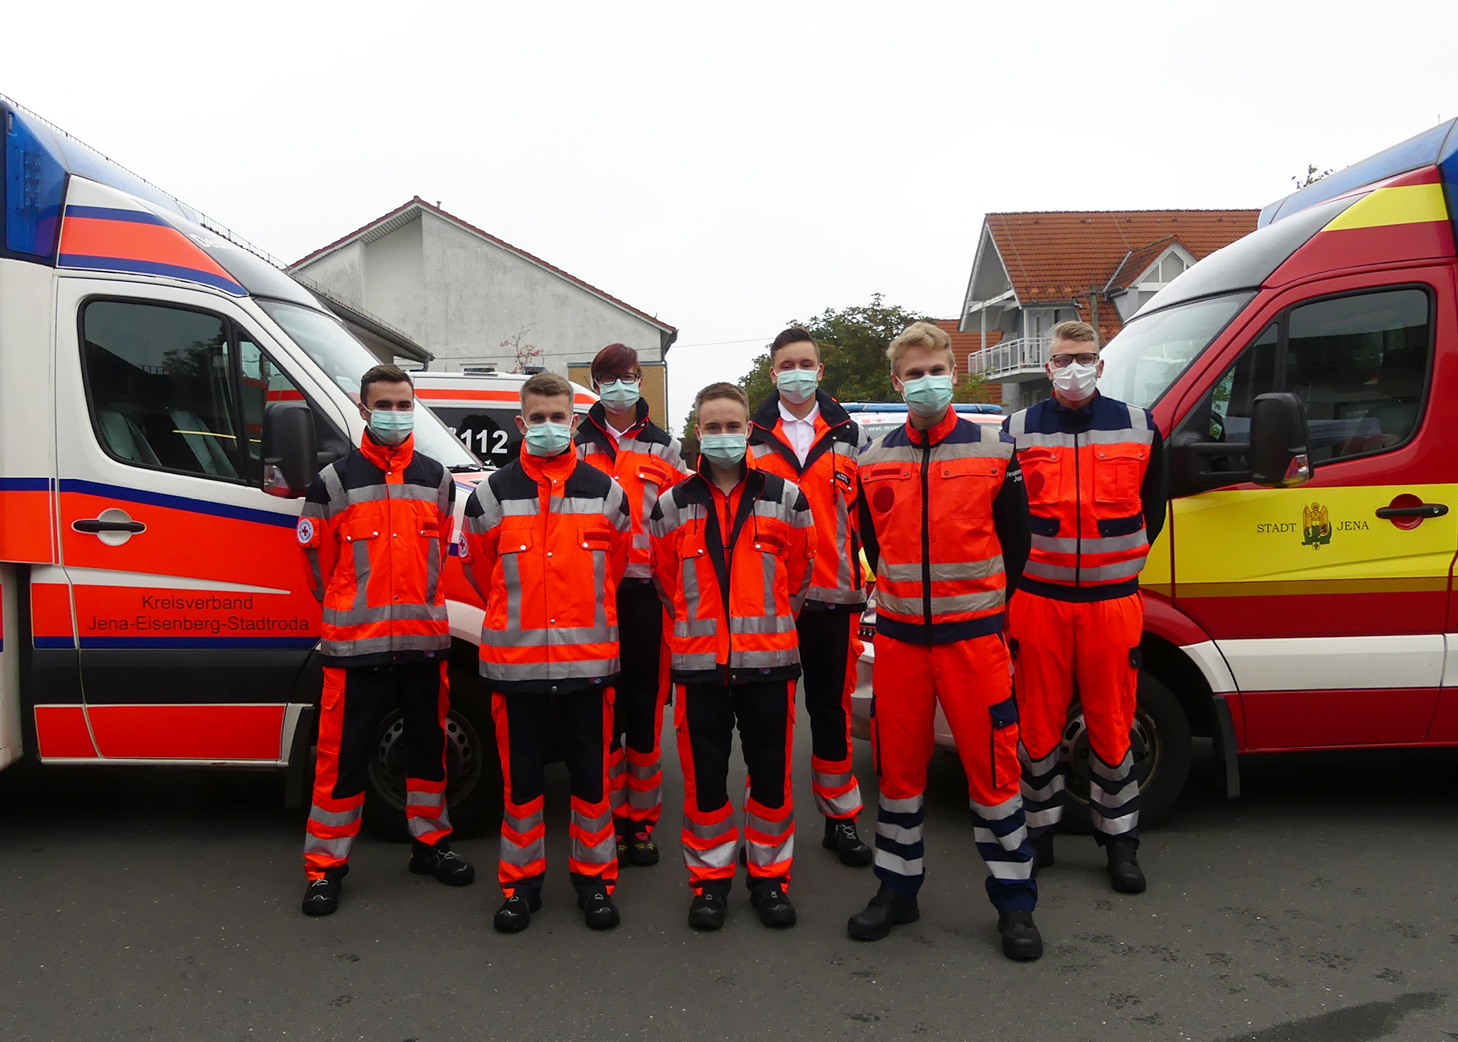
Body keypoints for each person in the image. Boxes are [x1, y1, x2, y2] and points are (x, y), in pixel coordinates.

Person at [849, 322, 1042, 960]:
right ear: (897, 381)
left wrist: (981, 612)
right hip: (903, 643)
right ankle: (896, 889)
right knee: (899, 775)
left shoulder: (994, 449)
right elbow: (874, 546)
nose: (925, 382)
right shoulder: (871, 459)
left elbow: (1017, 546)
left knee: (993, 773)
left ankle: (1015, 905)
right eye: (913, 373)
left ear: (952, 373)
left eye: (935, 370)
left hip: (974, 643)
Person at [297, 364, 474, 917]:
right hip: (356, 647)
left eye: (404, 404)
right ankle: (326, 867)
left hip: (423, 643)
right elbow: (316, 567)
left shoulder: (437, 478)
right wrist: (351, 610)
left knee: (429, 749)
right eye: (385, 404)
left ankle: (431, 845)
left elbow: (441, 552)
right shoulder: (333, 482)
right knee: (340, 759)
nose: (395, 414)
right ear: (363, 407)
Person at [462, 372, 631, 933]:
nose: (548, 427)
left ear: (575, 423)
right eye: (538, 418)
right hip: (516, 671)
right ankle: (520, 886)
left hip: (588, 670)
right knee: (522, 785)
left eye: (559, 417)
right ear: (520, 424)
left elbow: (618, 567)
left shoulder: (608, 493)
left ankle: (596, 884)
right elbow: (481, 571)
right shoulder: (490, 495)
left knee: (590, 782)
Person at [1003, 320, 1167, 894]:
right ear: (1047, 367)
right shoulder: (1017, 430)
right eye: (1063, 358)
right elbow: (1004, 516)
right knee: (1037, 729)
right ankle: (1040, 837)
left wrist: (1123, 565)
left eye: (1085, 357)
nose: (1074, 367)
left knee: (1113, 727)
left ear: (1100, 364)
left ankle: (1121, 845)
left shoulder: (1140, 426)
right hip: (1038, 601)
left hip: (1111, 603)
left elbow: (1155, 505)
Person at [648, 382, 815, 930]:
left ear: (749, 430)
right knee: (707, 786)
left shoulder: (787, 497)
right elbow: (667, 582)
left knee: (770, 780)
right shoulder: (671, 504)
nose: (723, 435)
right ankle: (710, 884)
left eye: (732, 426)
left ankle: (770, 882)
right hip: (699, 670)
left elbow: (800, 576)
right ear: (698, 432)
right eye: (711, 426)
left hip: (769, 665)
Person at [748, 328, 872, 867]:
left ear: (820, 372)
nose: (796, 372)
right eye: (785, 364)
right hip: (768, 602)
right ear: (773, 374)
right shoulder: (749, 436)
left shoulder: (850, 435)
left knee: (832, 713)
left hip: (835, 598)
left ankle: (840, 820)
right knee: (769, 720)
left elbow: (867, 519)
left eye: (806, 363)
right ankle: (769, 825)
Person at [575, 344, 686, 868]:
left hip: (645, 595)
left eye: (631, 376)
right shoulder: (576, 443)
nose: (622, 385)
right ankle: (603, 822)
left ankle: (639, 823)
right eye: (611, 378)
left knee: (642, 709)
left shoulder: (666, 447)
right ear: (596, 384)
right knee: (599, 710)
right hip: (592, 595)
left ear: (641, 381)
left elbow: (680, 525)